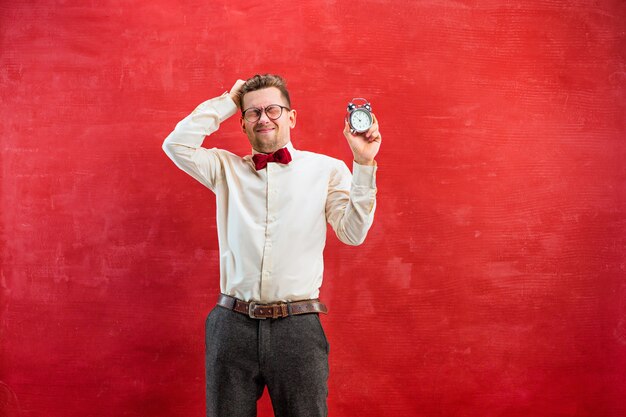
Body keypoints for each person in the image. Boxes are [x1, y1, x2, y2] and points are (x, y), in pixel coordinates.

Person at [162, 74, 381, 417]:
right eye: (253, 112)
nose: (264, 118)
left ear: (292, 117)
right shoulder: (224, 168)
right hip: (231, 325)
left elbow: (353, 233)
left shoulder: (327, 170)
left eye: (274, 110)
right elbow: (176, 145)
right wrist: (227, 100)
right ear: (243, 123)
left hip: (298, 327)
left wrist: (364, 164)